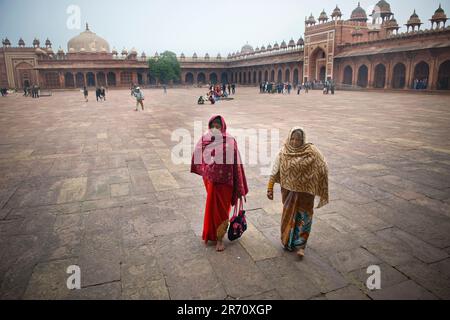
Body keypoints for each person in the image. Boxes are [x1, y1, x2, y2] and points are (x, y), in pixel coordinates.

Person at [267, 127, 329, 258]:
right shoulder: (283, 151)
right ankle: (287, 241)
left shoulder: (311, 151)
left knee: (304, 217)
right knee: (288, 216)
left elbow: (323, 164)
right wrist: (270, 187)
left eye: (298, 139)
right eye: (293, 139)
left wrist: (318, 179)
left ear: (303, 140)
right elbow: (274, 168)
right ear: (289, 138)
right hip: (288, 191)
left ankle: (301, 246)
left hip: (306, 193)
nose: (295, 142)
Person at [191, 115, 248, 252]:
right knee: (211, 209)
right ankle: (210, 234)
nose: (215, 129)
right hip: (212, 182)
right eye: (212, 126)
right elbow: (197, 155)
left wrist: (239, 185)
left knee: (221, 211)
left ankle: (219, 239)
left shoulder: (230, 140)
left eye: (218, 126)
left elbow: (237, 163)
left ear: (222, 127)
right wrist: (206, 170)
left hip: (225, 184)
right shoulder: (205, 139)